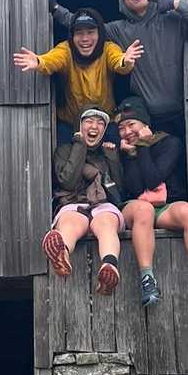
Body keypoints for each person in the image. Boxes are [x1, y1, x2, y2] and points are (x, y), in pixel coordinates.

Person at [50, 0, 188, 138]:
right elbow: (85, 27)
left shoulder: (173, 19)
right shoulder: (119, 29)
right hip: (145, 119)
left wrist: (175, 2)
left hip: (186, 112)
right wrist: (55, 8)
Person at [115, 96, 188, 308]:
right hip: (135, 208)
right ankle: (147, 279)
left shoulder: (170, 143)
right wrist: (131, 155)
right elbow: (135, 187)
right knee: (143, 210)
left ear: (145, 124)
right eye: (121, 128)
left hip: (163, 207)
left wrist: (143, 147)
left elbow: (153, 179)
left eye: (131, 124)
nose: (127, 132)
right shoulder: (121, 150)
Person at [13, 8, 142, 141]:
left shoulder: (108, 48)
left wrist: (125, 61)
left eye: (90, 32)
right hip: (71, 123)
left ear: (100, 34)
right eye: (79, 33)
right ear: (72, 36)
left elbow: (118, 62)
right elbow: (52, 59)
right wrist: (39, 61)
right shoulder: (66, 49)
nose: (85, 39)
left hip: (104, 122)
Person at [41, 106, 124, 295]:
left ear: (104, 130)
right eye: (89, 121)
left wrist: (112, 157)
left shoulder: (105, 153)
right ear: (79, 126)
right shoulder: (64, 150)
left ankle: (109, 266)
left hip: (102, 204)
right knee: (71, 222)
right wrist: (79, 145)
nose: (94, 126)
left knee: (106, 224)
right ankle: (61, 253)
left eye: (100, 123)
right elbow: (68, 181)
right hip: (73, 202)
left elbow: (119, 189)